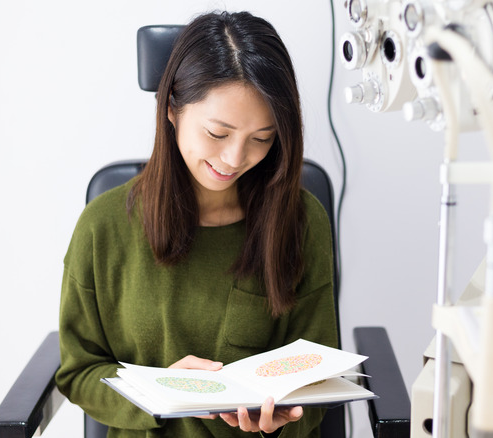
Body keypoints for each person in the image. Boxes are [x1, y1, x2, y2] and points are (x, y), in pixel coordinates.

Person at [56, 10, 337, 438]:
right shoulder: (103, 228)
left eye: (262, 138)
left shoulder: (299, 221)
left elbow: (318, 376)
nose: (235, 159)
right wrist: (161, 392)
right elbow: (79, 371)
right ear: (172, 109)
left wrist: (279, 424)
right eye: (218, 133)